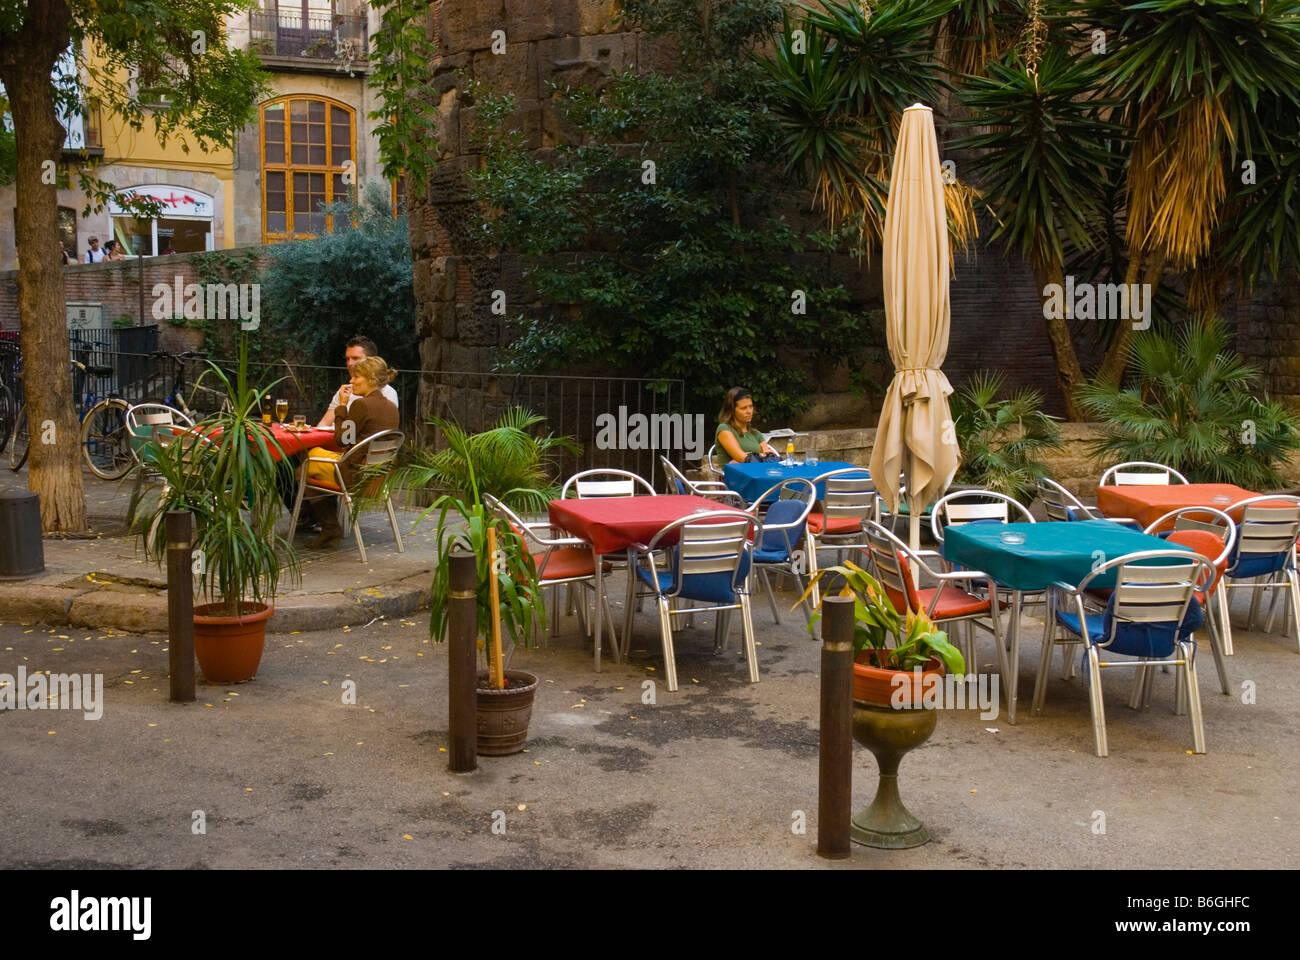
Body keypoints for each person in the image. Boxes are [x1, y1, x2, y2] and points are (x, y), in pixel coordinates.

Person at [303, 356, 399, 549]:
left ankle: (329, 527)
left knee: (304, 466)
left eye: (356, 377)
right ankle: (330, 528)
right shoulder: (391, 407)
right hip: (379, 477)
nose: (352, 381)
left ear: (371, 379)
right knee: (312, 460)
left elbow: (342, 439)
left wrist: (342, 405)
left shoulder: (361, 405)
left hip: (355, 476)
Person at [317, 335, 399, 428]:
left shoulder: (365, 402)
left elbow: (347, 437)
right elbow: (323, 425)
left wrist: (342, 406)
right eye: (347, 359)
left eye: (355, 358)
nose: (350, 363)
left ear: (371, 361)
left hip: (353, 442)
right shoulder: (346, 391)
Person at [715, 387, 776, 465]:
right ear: (732, 410)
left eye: (751, 406)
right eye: (744, 408)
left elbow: (772, 458)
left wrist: (757, 456)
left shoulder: (756, 434)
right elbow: (742, 458)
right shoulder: (724, 429)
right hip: (734, 476)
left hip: (757, 474)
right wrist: (761, 455)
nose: (749, 411)